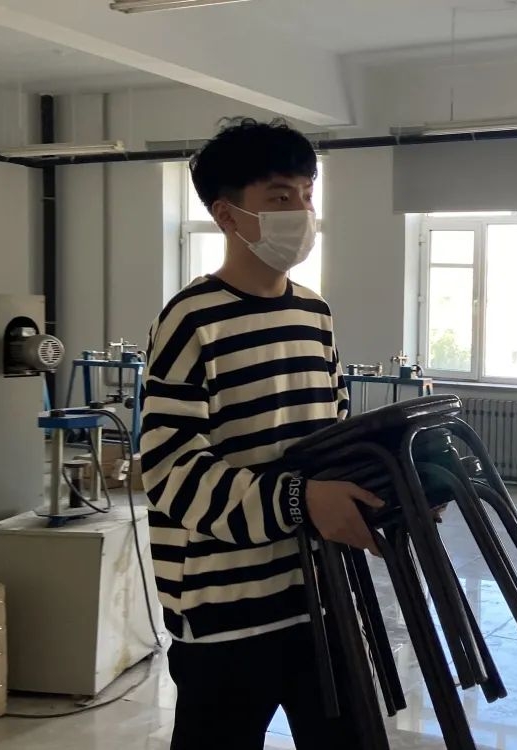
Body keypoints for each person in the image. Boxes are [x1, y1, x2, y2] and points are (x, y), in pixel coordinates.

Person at [140, 118, 383, 750]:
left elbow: (333, 438)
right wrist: (300, 501)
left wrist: (387, 490)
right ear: (228, 215)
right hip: (225, 613)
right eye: (280, 196)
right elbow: (170, 472)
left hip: (320, 597)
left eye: (307, 193)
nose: (301, 211)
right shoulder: (191, 321)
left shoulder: (315, 314)